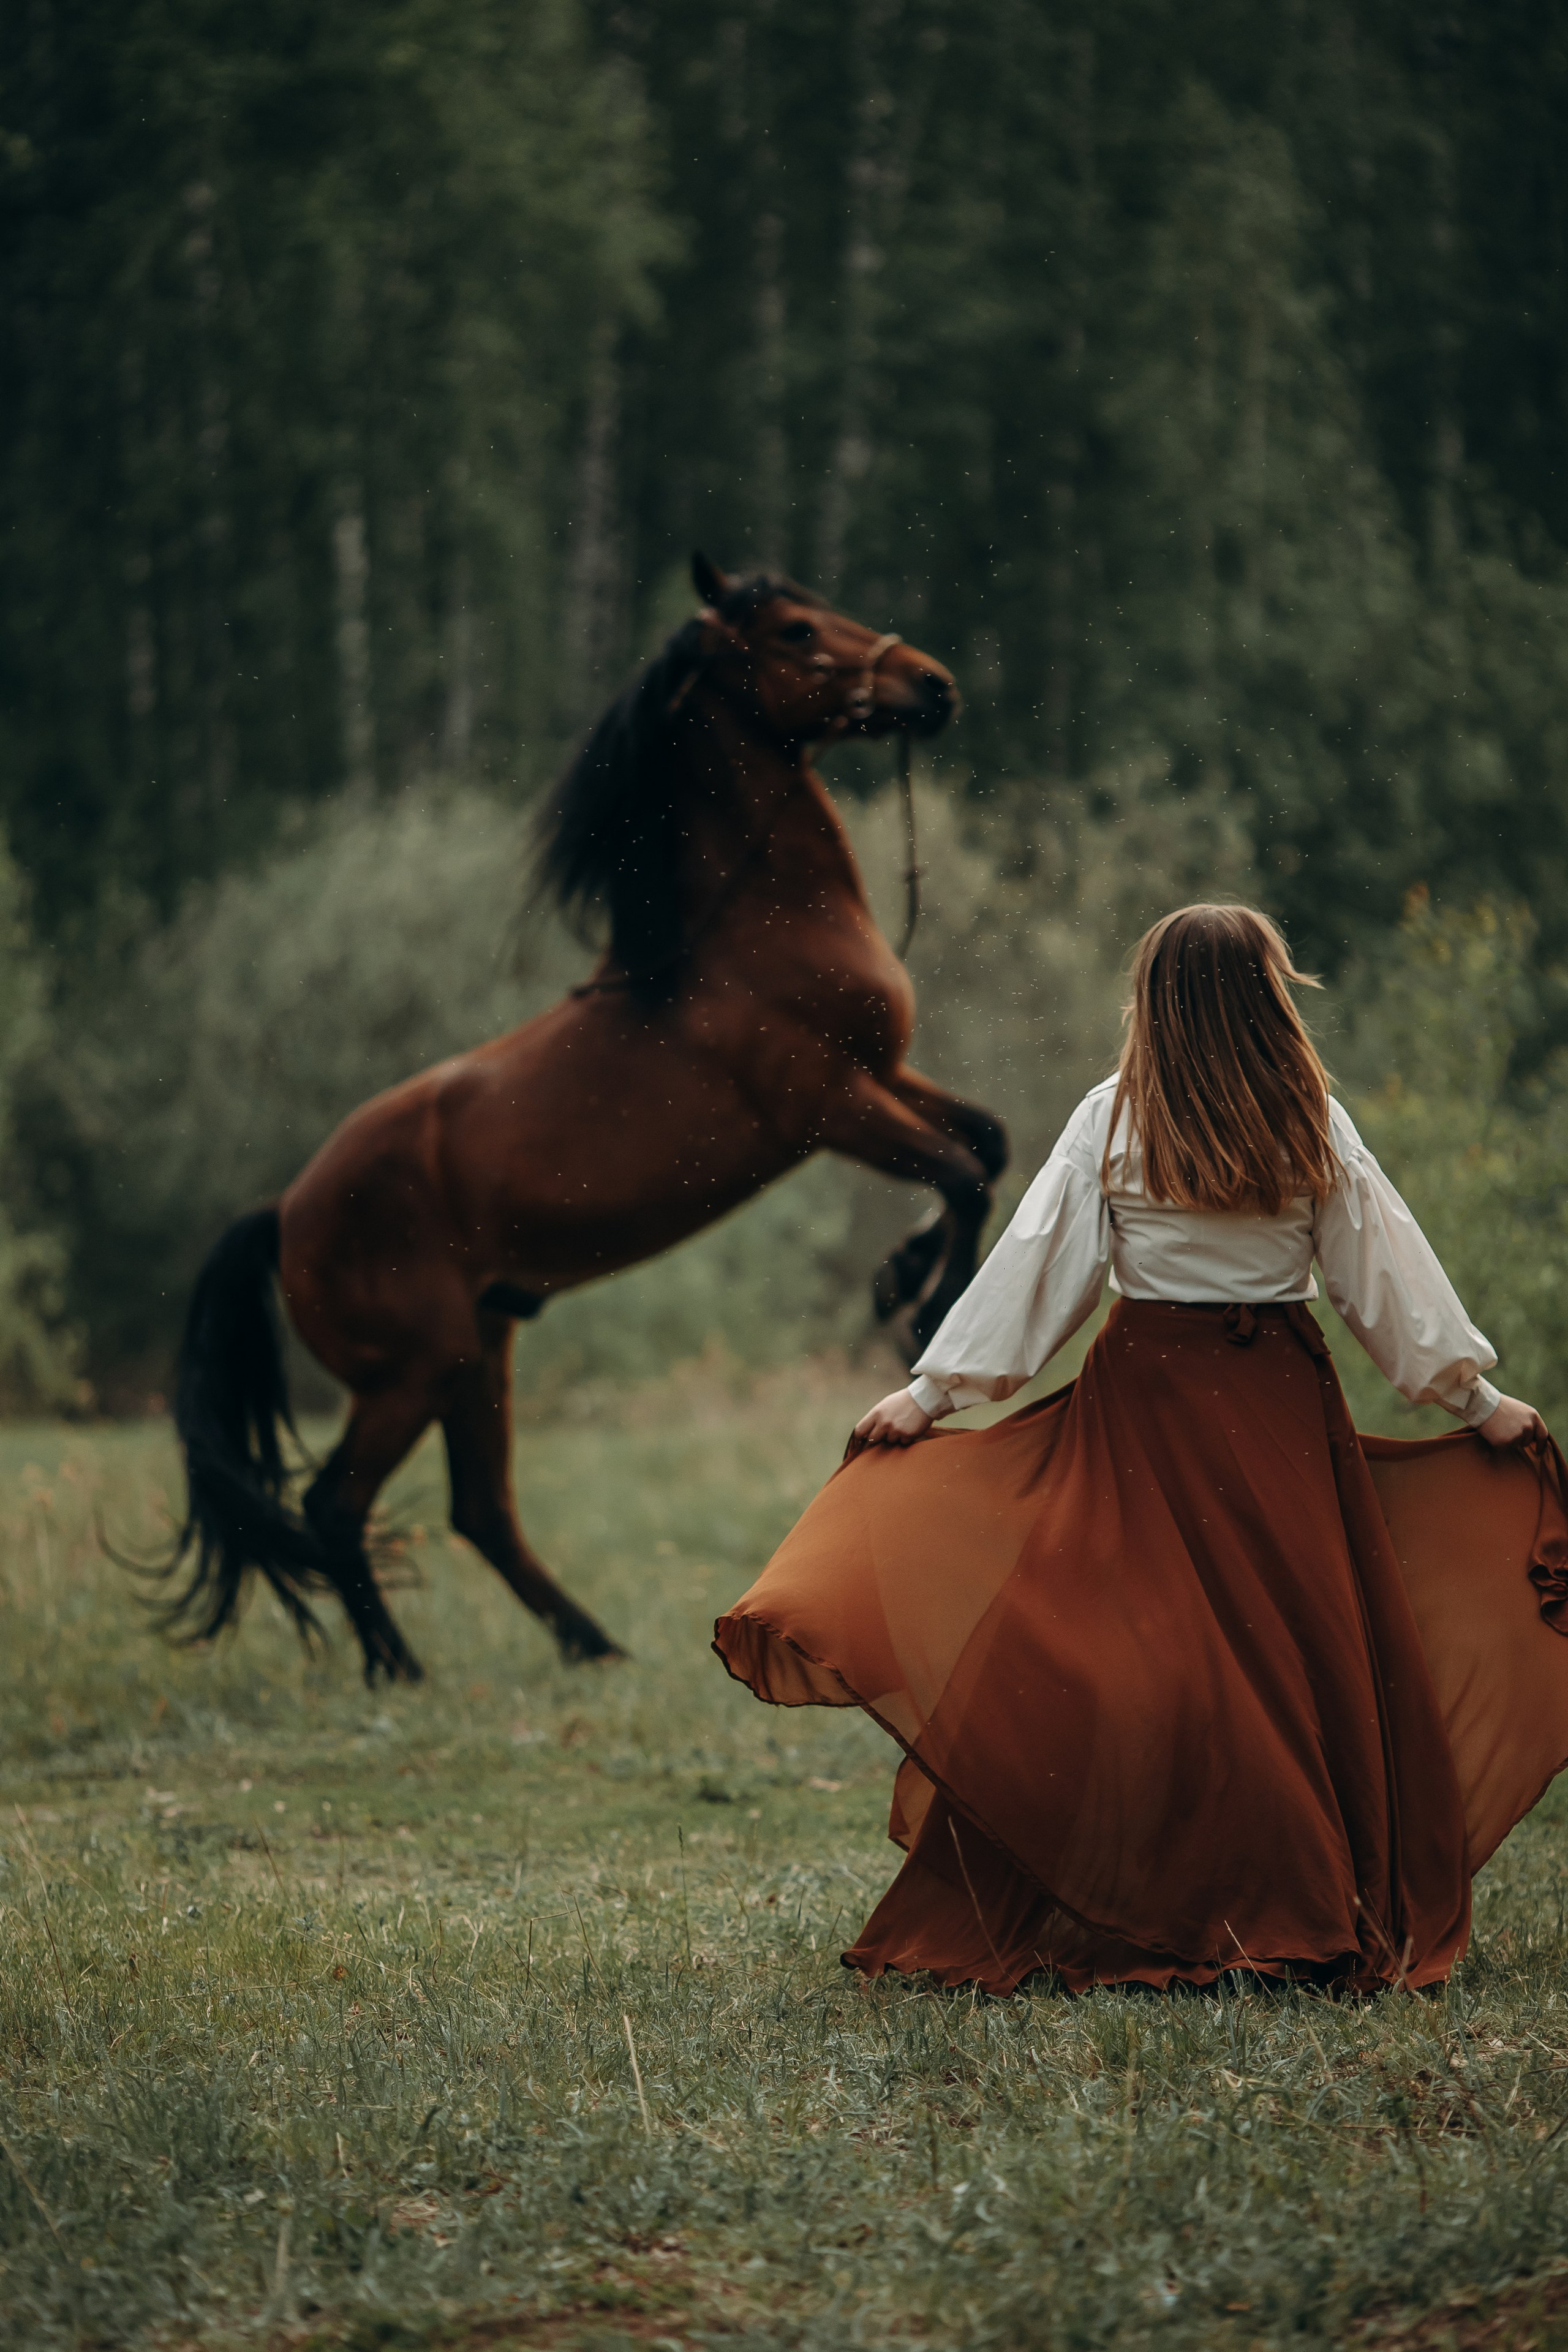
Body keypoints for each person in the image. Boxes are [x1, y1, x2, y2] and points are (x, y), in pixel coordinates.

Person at [714, 904, 1568, 1996]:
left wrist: (932, 1395)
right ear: (1268, 997)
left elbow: (1040, 1277)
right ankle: (1295, 1903)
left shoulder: (1114, 1120)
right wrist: (1473, 1399)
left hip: (1152, 1402)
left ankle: (1169, 1895)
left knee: (1133, 1650)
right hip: (1272, 1407)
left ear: (1154, 1002)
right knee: (1289, 1656)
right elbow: (1386, 1283)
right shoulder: (1310, 1120)